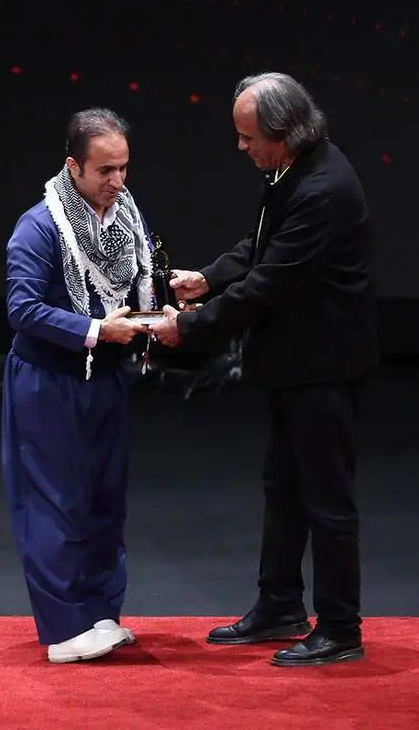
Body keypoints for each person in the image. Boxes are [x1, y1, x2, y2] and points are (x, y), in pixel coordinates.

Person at [150, 72, 378, 667]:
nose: (241, 146)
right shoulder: (292, 168)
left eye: (248, 136)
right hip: (292, 363)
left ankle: (341, 629)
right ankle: (279, 606)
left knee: (326, 500)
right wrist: (208, 278)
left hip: (323, 367)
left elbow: (270, 284)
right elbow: (260, 247)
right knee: (284, 490)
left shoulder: (323, 189)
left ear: (284, 132)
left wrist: (187, 328)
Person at [1, 107, 151, 663]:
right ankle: (65, 629)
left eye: (123, 168)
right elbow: (22, 309)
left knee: (105, 502)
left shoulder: (126, 215)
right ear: (74, 167)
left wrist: (161, 306)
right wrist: (95, 330)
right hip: (49, 382)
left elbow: (132, 286)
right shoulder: (40, 225)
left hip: (106, 380)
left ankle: (101, 613)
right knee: (55, 503)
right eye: (105, 170)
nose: (117, 180)